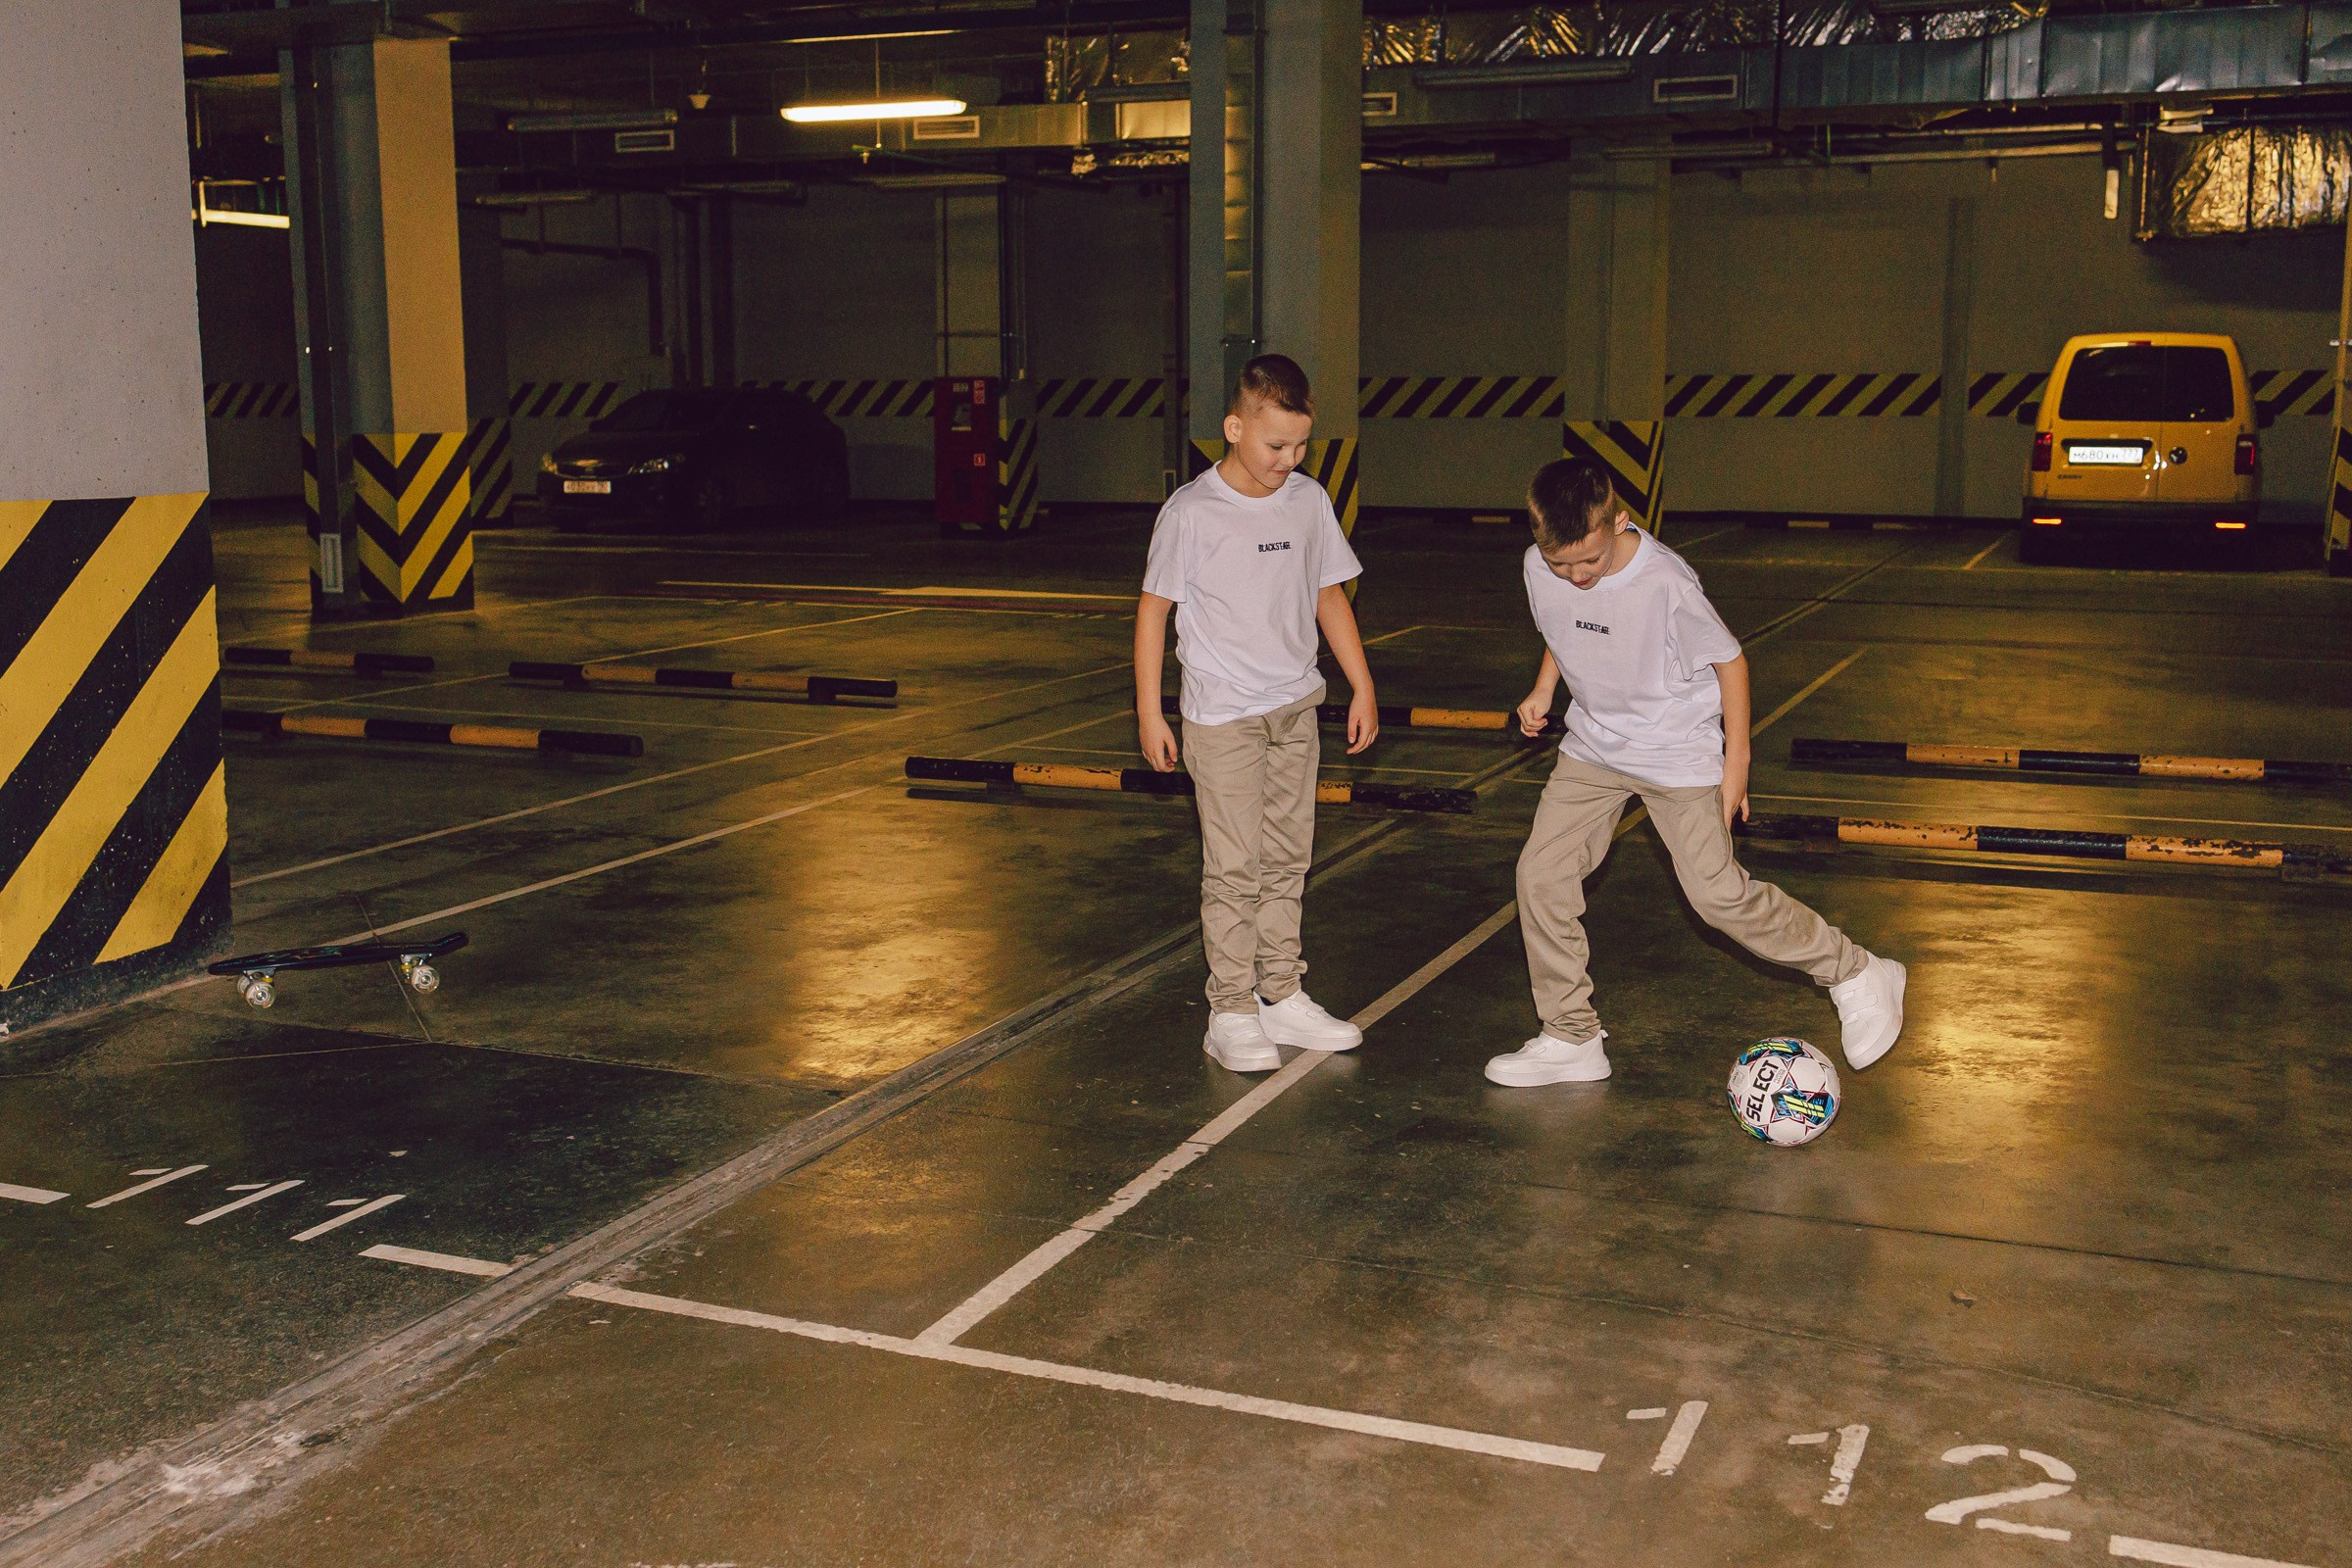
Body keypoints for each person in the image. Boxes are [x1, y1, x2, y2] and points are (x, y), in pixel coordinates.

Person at [1485, 459, 1906, 1087]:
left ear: (1618, 521)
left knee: (1717, 897)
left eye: (1588, 563)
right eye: (1559, 564)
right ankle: (1571, 1036)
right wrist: (1545, 688)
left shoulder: (1665, 583)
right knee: (1540, 877)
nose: (1574, 577)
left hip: (1677, 754)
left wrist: (1735, 767)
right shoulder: (1538, 566)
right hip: (1594, 747)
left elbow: (1730, 662)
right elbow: (1562, 625)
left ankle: (1856, 970)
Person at [1135, 355, 1381, 1073]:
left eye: (1300, 446)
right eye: (1275, 445)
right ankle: (1232, 1008)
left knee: (1288, 859)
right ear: (1234, 428)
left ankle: (1282, 992)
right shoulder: (1191, 511)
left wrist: (1361, 684)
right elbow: (1155, 612)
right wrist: (1152, 711)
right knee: (1236, 865)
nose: (1289, 460)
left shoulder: (1306, 501)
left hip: (1294, 706)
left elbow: (1328, 595)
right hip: (1223, 718)